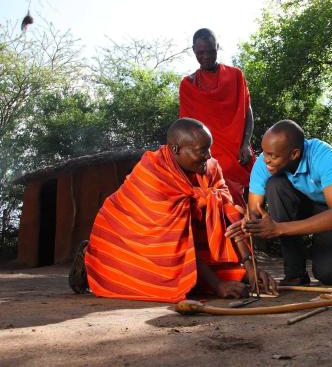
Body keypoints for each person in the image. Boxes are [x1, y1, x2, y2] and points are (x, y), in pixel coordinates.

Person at [69, 118, 276, 303]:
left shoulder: (209, 167)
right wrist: (217, 285)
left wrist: (251, 268)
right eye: (201, 151)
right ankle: (92, 258)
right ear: (176, 149)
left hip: (180, 239)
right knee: (150, 280)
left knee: (234, 276)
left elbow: (228, 214)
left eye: (209, 149)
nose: (209, 156)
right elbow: (176, 240)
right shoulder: (154, 173)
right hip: (132, 241)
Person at [226, 120, 332, 286]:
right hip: (299, 204)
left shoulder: (323, 155)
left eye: (273, 156)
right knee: (275, 185)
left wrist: (279, 229)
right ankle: (295, 273)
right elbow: (254, 211)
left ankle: (326, 259)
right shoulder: (264, 163)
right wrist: (248, 222)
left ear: (294, 154)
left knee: (330, 276)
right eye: (264, 153)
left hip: (328, 210)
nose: (266, 160)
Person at [179, 28, 255, 207]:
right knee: (226, 203)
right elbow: (186, 128)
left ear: (217, 47)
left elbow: (248, 111)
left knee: (257, 196)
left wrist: (246, 143)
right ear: (194, 51)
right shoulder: (188, 85)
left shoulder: (235, 75)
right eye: (200, 53)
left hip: (239, 151)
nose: (205, 57)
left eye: (210, 51)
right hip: (210, 156)